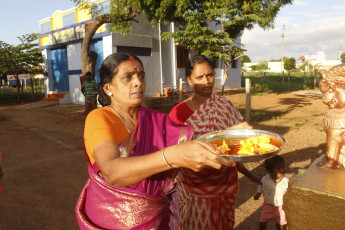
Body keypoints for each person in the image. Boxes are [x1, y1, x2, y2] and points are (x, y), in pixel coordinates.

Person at [75, 53, 237, 229]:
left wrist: (228, 135)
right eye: (127, 77)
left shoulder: (155, 119)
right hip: (113, 221)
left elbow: (193, 143)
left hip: (158, 217)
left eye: (141, 76)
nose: (138, 82)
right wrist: (171, 157)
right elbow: (112, 171)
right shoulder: (100, 118)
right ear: (108, 88)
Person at [169, 54, 259, 229]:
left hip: (224, 186)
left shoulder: (225, 105)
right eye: (199, 77)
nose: (207, 81)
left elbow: (235, 149)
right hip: (194, 189)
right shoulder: (178, 113)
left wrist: (253, 175)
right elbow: (179, 153)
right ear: (188, 79)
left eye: (209, 75)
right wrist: (224, 133)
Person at [254, 155, 289, 230]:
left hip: (280, 208)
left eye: (283, 167)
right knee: (262, 223)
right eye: (279, 168)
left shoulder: (285, 181)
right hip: (268, 207)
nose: (283, 170)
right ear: (270, 171)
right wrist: (258, 193)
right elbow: (261, 185)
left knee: (280, 224)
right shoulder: (265, 179)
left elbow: (288, 191)